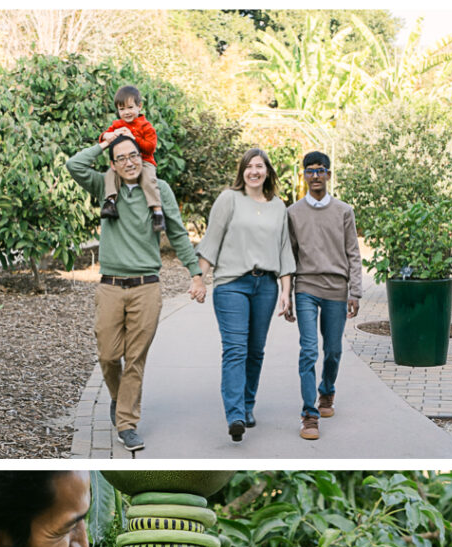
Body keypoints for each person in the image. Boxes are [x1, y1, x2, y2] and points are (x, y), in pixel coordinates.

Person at [66, 134, 206, 452]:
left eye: (134, 156)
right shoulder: (105, 186)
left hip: (146, 286)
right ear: (113, 164)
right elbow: (74, 165)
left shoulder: (159, 190)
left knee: (135, 359)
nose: (129, 162)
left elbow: (178, 232)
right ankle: (119, 398)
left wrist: (195, 274)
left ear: (141, 158)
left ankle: (127, 423)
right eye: (121, 158)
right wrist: (105, 142)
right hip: (111, 286)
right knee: (107, 355)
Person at [196, 148, 295, 442]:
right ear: (242, 171)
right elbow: (211, 240)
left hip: (265, 286)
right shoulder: (229, 199)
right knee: (236, 349)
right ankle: (235, 413)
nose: (254, 171)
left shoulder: (279, 206)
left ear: (268, 172)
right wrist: (198, 278)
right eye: (249, 166)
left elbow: (284, 250)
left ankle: (248, 405)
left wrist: (286, 292)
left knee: (255, 350)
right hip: (231, 284)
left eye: (260, 166)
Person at [286, 151, 362, 441]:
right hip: (306, 287)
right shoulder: (293, 213)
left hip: (336, 290)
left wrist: (355, 290)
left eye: (320, 171)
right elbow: (289, 256)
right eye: (309, 171)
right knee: (308, 350)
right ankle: (309, 414)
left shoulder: (344, 211)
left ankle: (326, 392)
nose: (315, 176)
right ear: (303, 176)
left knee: (333, 350)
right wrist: (288, 296)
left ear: (329, 175)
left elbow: (353, 252)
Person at [98, 83, 165, 233]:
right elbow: (104, 138)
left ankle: (157, 212)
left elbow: (150, 147)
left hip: (144, 161)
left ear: (139, 106)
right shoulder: (117, 125)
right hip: (123, 163)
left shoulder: (146, 127)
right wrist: (106, 136)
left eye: (130, 108)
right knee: (110, 173)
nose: (126, 112)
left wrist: (133, 138)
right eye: (122, 109)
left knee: (149, 179)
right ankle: (110, 202)